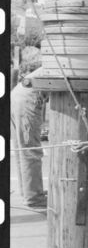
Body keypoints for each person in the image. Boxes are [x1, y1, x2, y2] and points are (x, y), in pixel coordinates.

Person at [11, 48, 47, 209]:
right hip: (28, 99)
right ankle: (34, 197)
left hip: (19, 96)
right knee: (31, 149)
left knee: (22, 148)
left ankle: (29, 192)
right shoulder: (68, 66)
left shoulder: (55, 64)